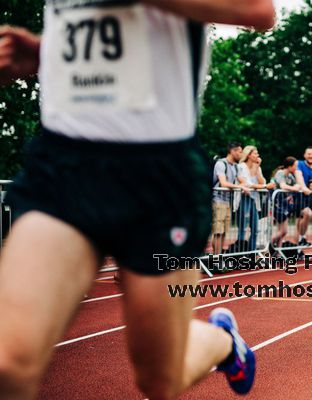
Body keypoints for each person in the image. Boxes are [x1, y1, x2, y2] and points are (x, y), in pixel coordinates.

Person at [0, 1, 275, 399]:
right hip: (65, 167)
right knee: (8, 364)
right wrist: (48, 51)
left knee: (159, 379)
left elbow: (257, 10)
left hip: (157, 177)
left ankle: (223, 342)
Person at [213, 142, 249, 254]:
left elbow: (243, 180)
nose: (241, 154)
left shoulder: (235, 166)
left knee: (224, 232)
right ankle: (216, 258)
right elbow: (223, 183)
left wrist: (244, 185)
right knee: (218, 232)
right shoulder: (221, 163)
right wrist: (240, 186)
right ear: (232, 151)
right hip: (217, 200)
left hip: (227, 201)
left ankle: (219, 257)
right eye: (239, 151)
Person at [236, 145, 275, 251]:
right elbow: (248, 184)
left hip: (254, 200)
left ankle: (252, 253)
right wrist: (265, 187)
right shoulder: (241, 166)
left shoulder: (257, 167)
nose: (258, 155)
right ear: (248, 155)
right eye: (255, 153)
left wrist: (257, 167)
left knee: (255, 229)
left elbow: (262, 181)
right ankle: (240, 252)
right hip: (243, 199)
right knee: (243, 228)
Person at [271, 157, 303, 248]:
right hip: (276, 204)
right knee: (283, 231)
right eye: (295, 166)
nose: (296, 168)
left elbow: (298, 185)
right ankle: (266, 244)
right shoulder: (280, 173)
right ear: (289, 166)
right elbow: (283, 186)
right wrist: (294, 188)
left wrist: (296, 185)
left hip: (284, 205)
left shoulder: (290, 176)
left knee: (282, 231)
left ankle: (278, 252)